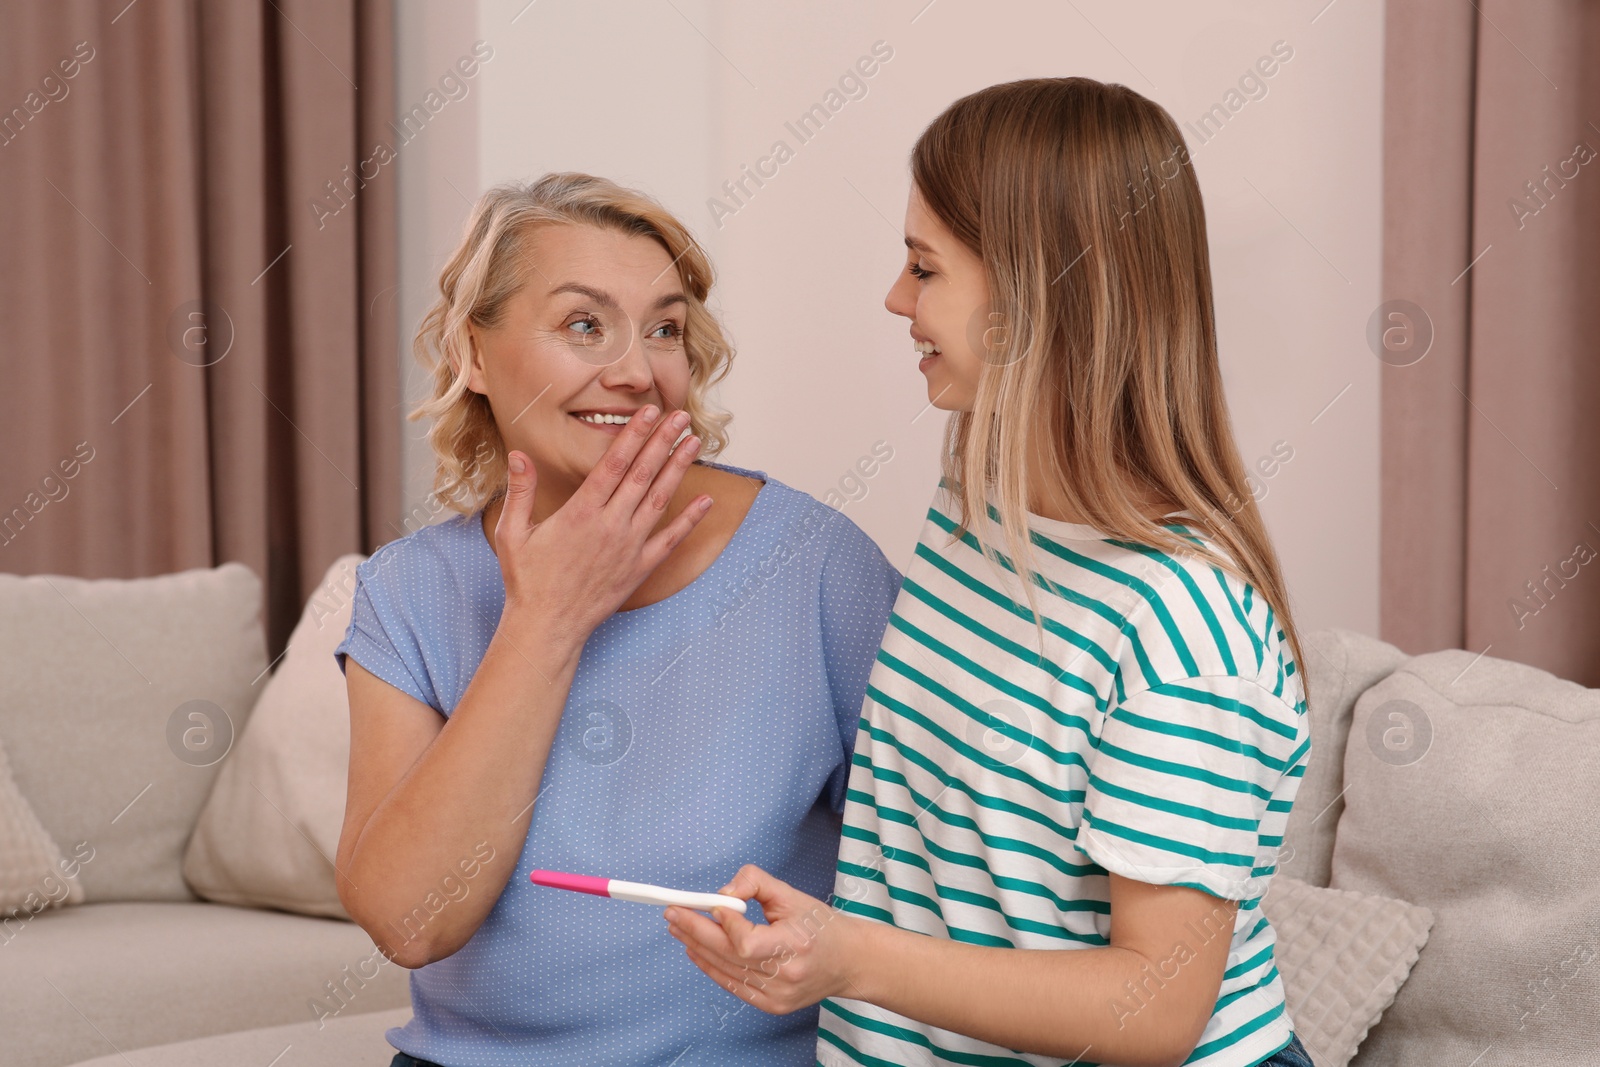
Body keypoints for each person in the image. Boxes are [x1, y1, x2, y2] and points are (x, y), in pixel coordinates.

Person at [665, 78, 1317, 1067]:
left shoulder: (1185, 628)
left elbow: (1154, 1008)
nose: (895, 297)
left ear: (1036, 289)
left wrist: (848, 957)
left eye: (923, 267)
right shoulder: (978, 508)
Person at [332, 172, 903, 1066]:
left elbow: (931, 896)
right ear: (473, 354)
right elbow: (410, 921)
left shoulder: (817, 567)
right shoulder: (409, 591)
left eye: (665, 329)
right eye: (583, 324)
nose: (637, 371)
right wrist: (545, 619)